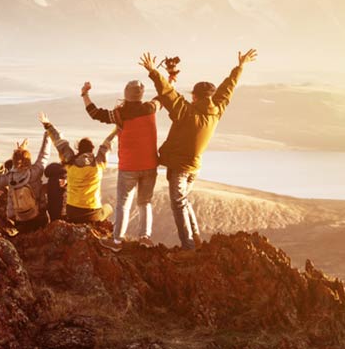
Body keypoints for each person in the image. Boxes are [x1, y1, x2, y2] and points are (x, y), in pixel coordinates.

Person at [141, 49, 258, 253]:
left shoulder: (186, 113)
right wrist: (240, 67)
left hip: (180, 168)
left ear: (194, 97)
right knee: (183, 201)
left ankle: (188, 247)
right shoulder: (216, 111)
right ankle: (195, 238)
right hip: (194, 168)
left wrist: (153, 71)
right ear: (210, 97)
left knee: (178, 204)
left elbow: (168, 94)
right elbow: (228, 89)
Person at [82, 80, 161, 252]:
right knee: (145, 202)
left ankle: (117, 241)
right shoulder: (151, 108)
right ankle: (145, 237)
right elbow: (163, 96)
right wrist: (169, 79)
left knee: (123, 204)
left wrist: (85, 94)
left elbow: (95, 113)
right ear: (141, 94)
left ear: (126, 94)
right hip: (150, 164)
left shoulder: (119, 114)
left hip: (129, 167)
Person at [41, 112, 118, 224]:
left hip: (72, 212)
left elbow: (60, 143)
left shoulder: (70, 162)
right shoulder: (98, 163)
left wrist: (48, 125)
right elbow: (108, 143)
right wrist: (118, 129)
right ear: (92, 149)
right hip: (92, 213)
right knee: (108, 208)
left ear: (78, 149)